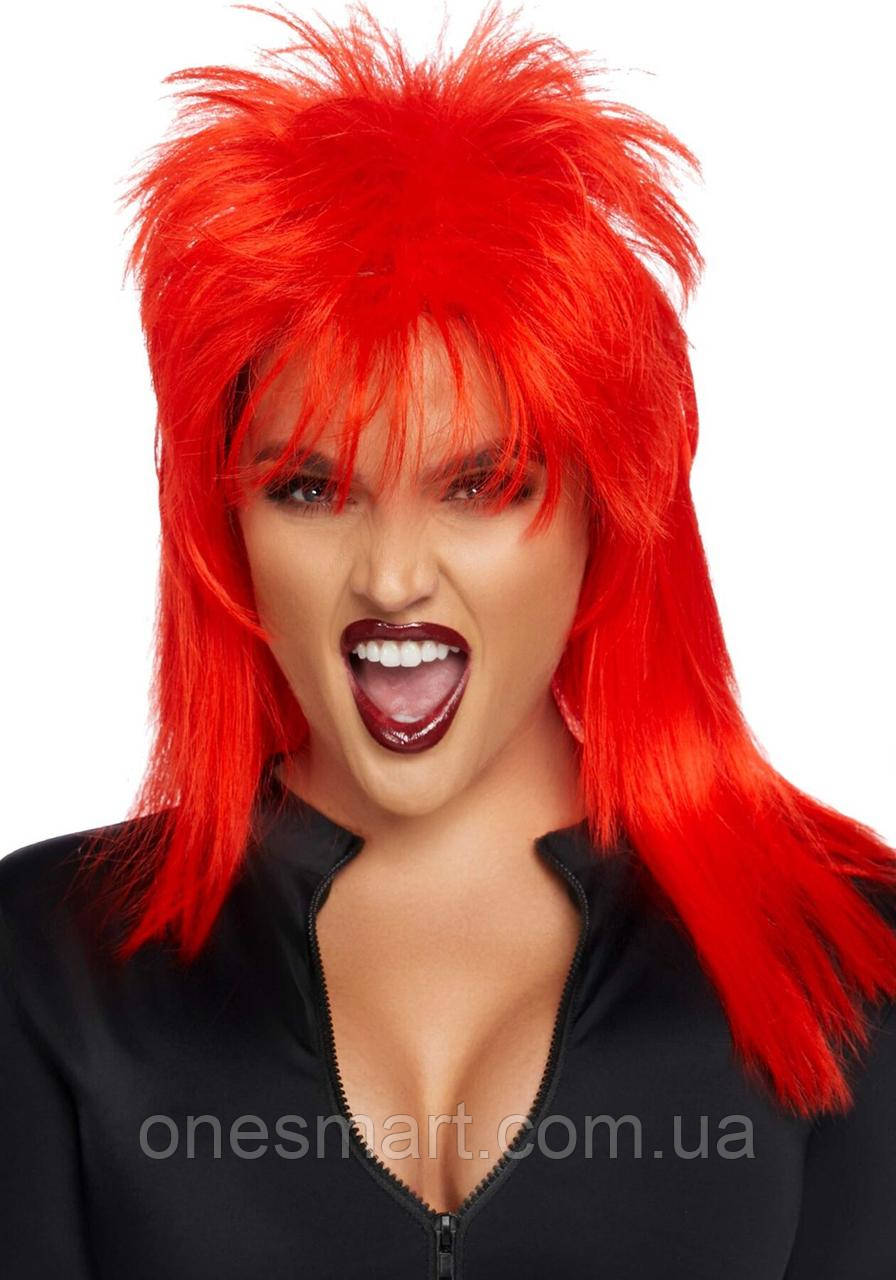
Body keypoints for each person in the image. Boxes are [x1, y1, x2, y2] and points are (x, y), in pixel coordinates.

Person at [2, 3, 894, 1277]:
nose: (391, 573)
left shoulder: (842, 953)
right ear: (227, 523)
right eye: (309, 486)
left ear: (606, 506)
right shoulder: (49, 957)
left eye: (479, 484)